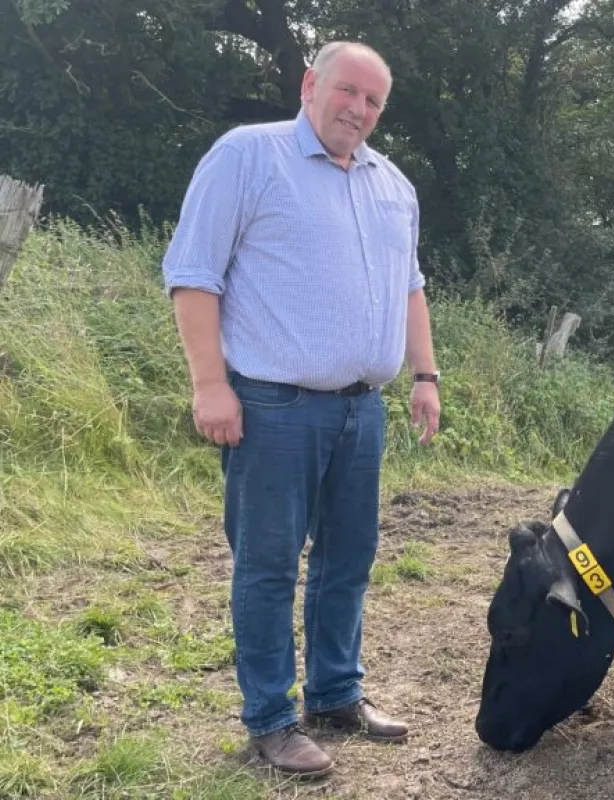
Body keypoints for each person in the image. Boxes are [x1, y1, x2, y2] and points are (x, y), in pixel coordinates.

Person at [161, 40, 441, 777]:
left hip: (362, 409)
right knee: (268, 566)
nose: (359, 109)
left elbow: (410, 286)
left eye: (374, 101)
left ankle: (335, 692)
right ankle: (272, 719)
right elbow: (193, 275)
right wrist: (208, 383)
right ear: (311, 83)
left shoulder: (393, 185)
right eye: (348, 90)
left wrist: (425, 374)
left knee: (349, 559)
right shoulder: (247, 157)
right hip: (272, 405)